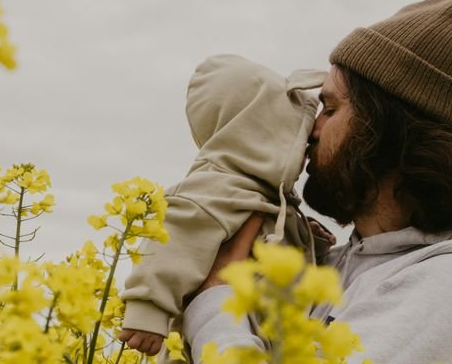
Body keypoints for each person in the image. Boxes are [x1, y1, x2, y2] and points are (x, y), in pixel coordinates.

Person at [182, 0, 452, 363]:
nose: (311, 129)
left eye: (330, 108)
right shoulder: (344, 266)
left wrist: (215, 304)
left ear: (387, 130)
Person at [117, 54, 335, 359]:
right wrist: (147, 311)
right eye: (295, 136)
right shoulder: (215, 188)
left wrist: (311, 243)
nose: (309, 142)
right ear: (259, 136)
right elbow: (171, 241)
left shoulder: (274, 201)